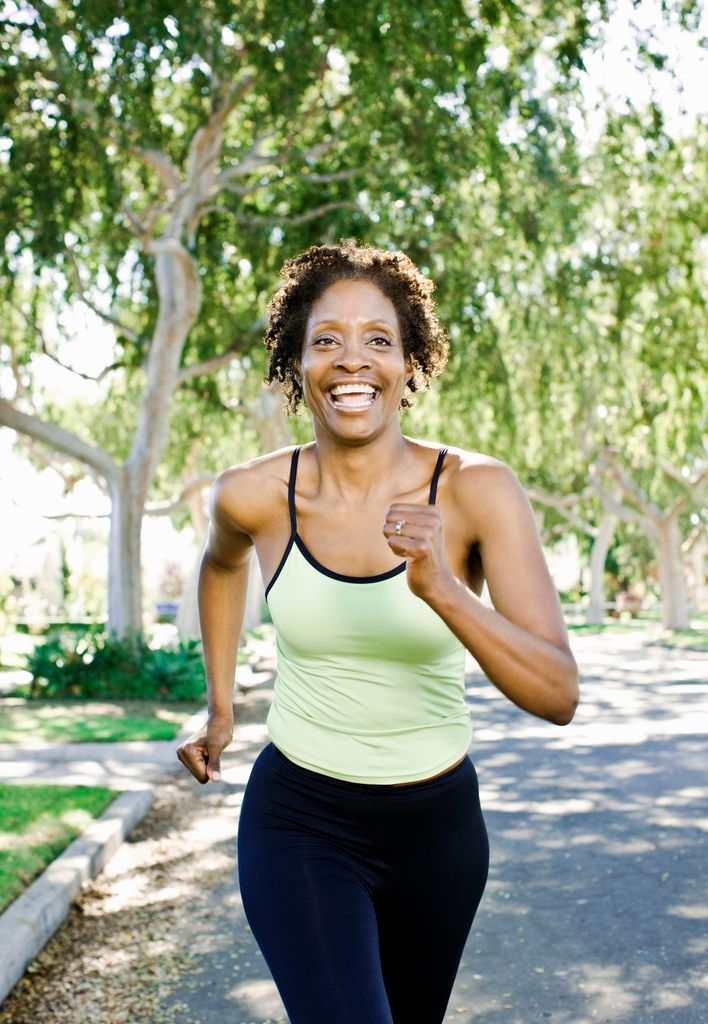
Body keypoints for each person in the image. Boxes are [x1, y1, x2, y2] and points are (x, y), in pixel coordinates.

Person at [177, 239, 580, 1024]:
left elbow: (558, 694)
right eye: (326, 339)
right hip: (300, 821)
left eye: (378, 340)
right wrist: (220, 709)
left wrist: (443, 590)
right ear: (297, 364)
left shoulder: (477, 491)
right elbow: (220, 567)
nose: (352, 360)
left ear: (408, 362)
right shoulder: (253, 495)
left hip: (438, 833)